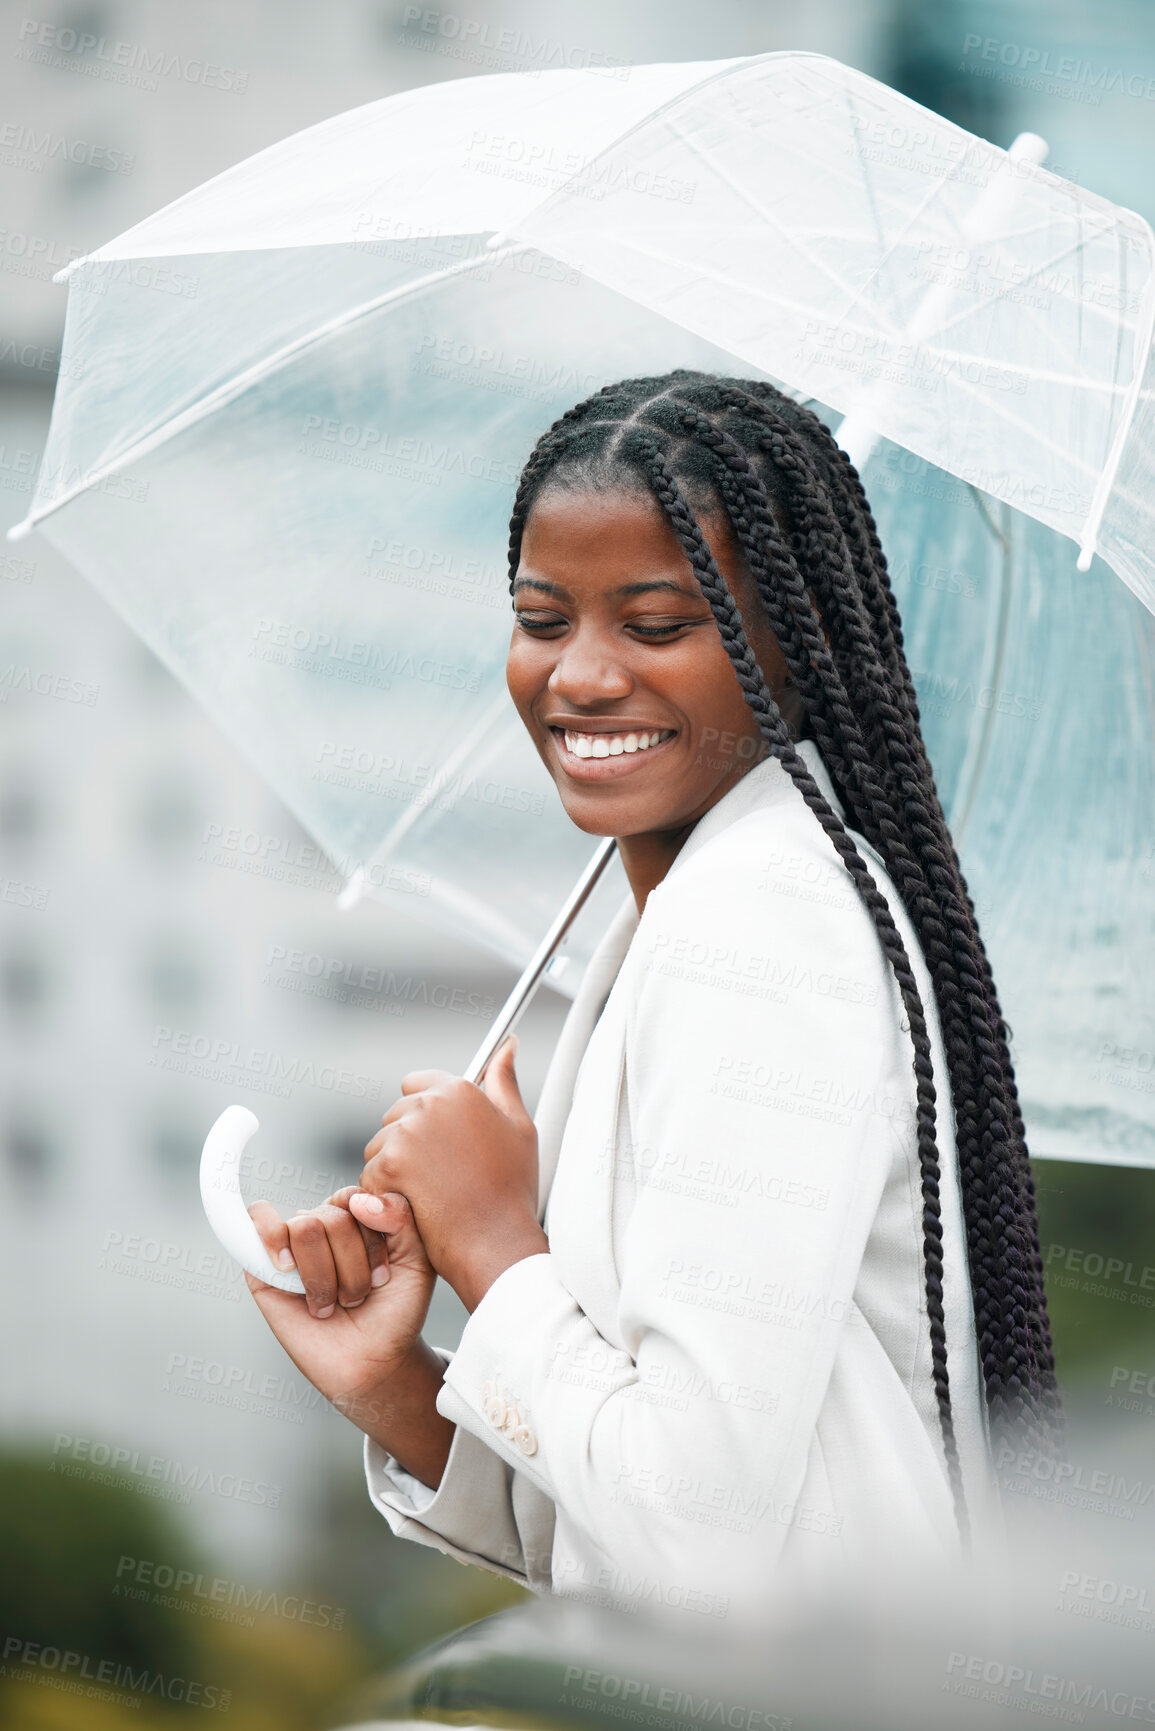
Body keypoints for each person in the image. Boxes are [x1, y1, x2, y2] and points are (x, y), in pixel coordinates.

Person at [245, 371, 1062, 1623]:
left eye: (659, 623)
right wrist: (397, 1387)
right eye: (540, 616)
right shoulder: (691, 903)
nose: (577, 677)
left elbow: (701, 1542)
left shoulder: (760, 921)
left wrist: (493, 1242)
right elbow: (643, 1520)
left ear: (793, 640)